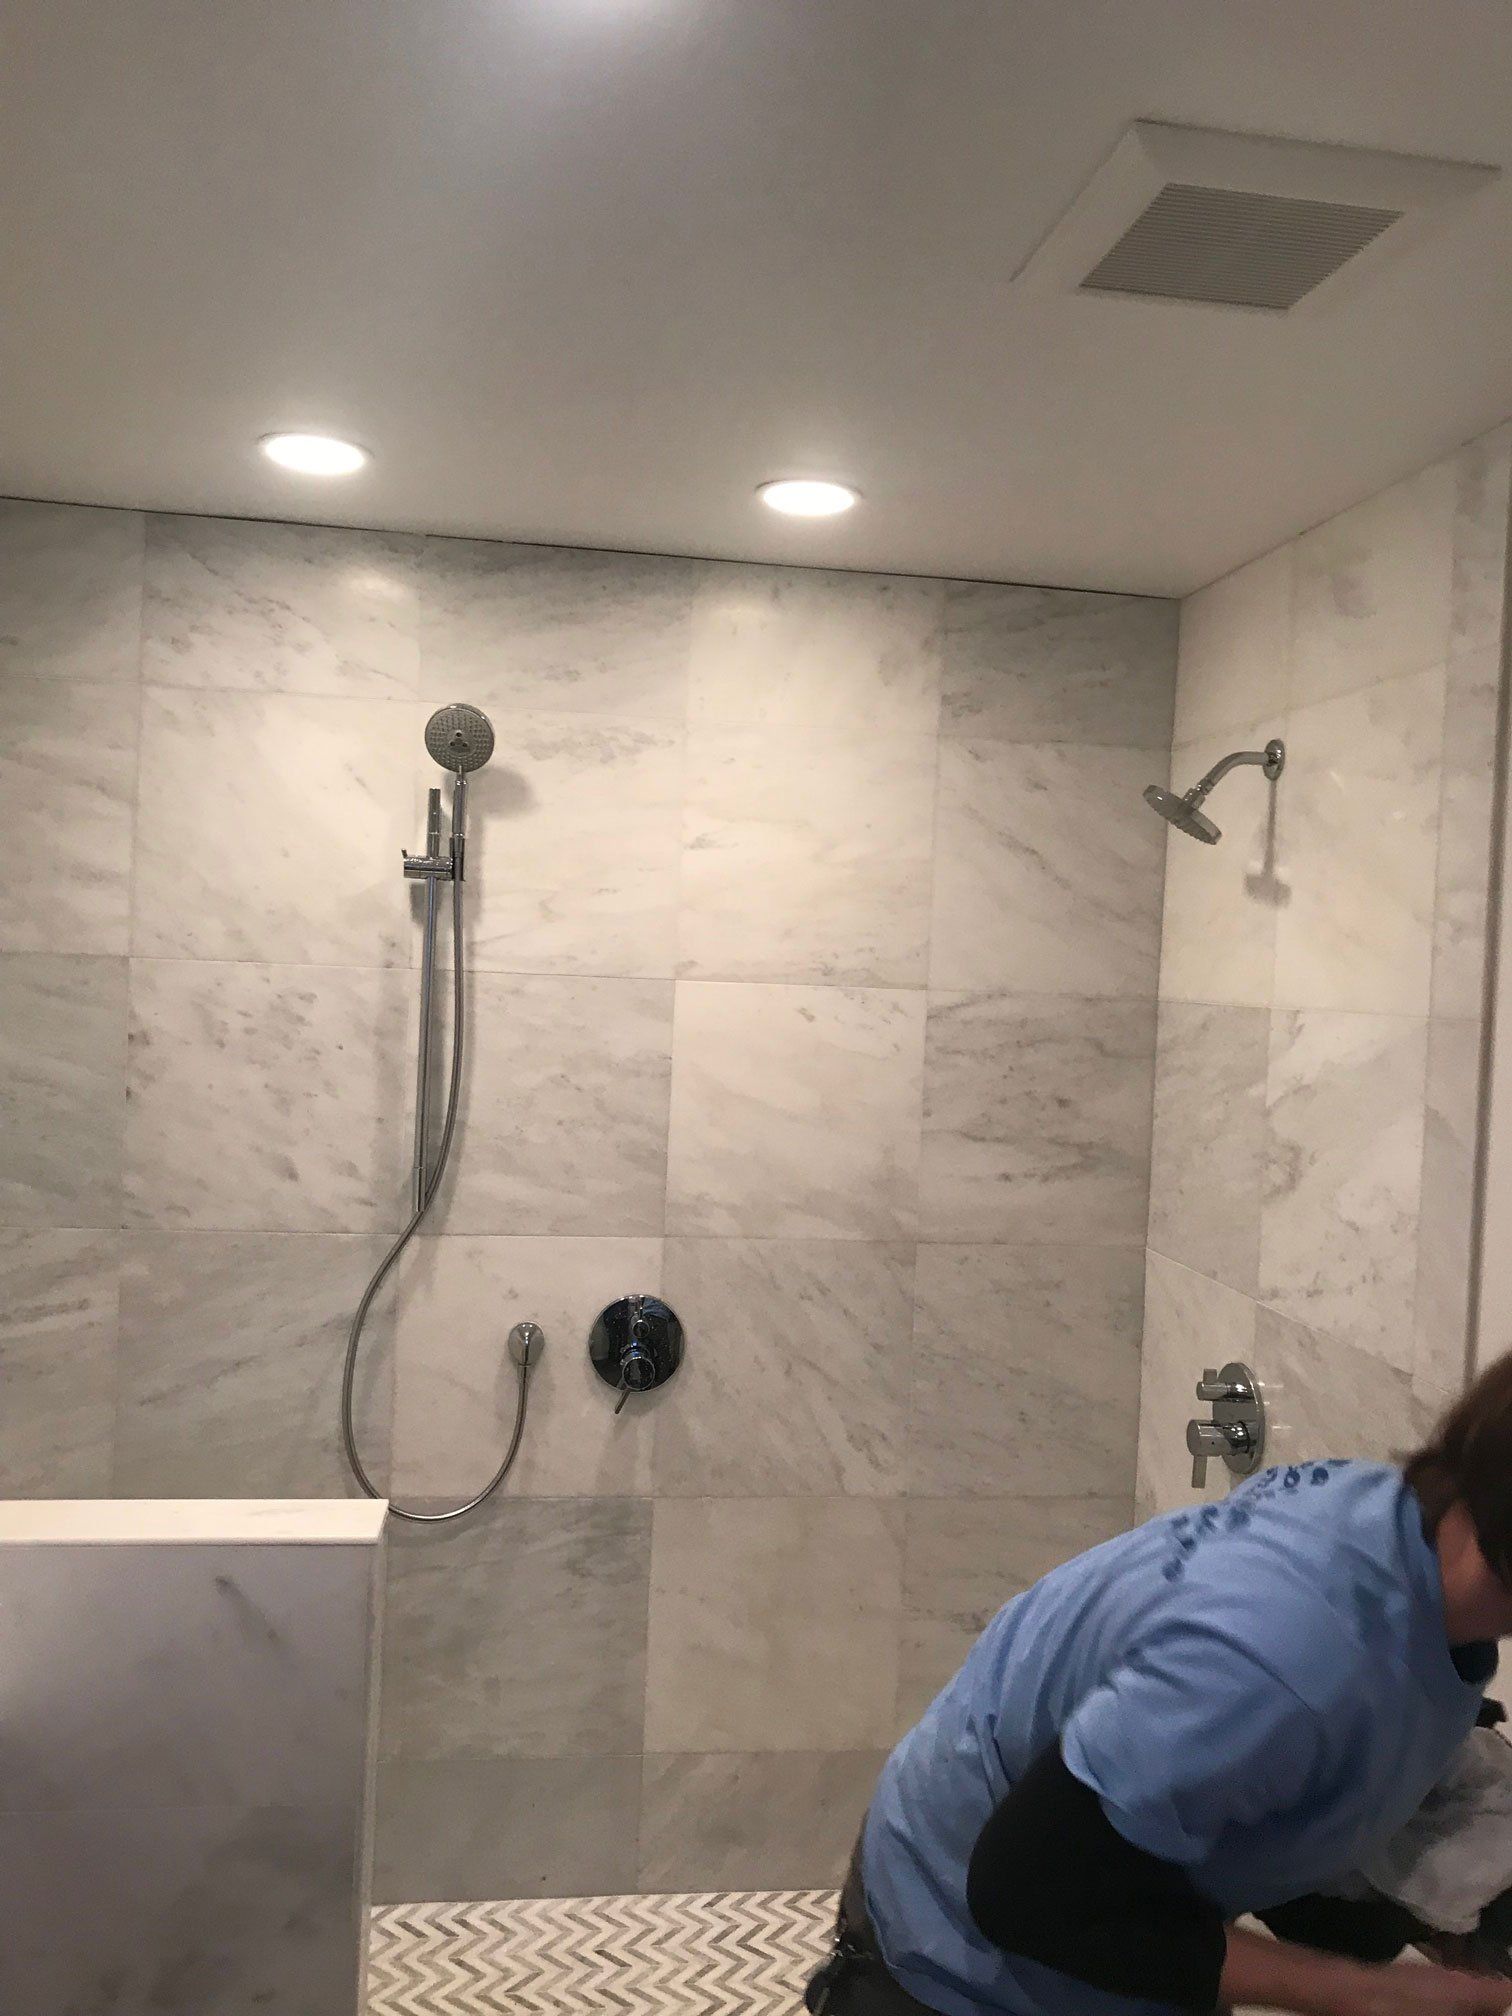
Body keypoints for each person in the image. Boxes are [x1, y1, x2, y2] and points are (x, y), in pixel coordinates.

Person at [808, 1354, 1512, 2016]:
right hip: (961, 1946)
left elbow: (1258, 1791)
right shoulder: (1285, 1657)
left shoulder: (1402, 1530)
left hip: (1058, 1872)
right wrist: (1372, 1993)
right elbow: (1026, 1893)